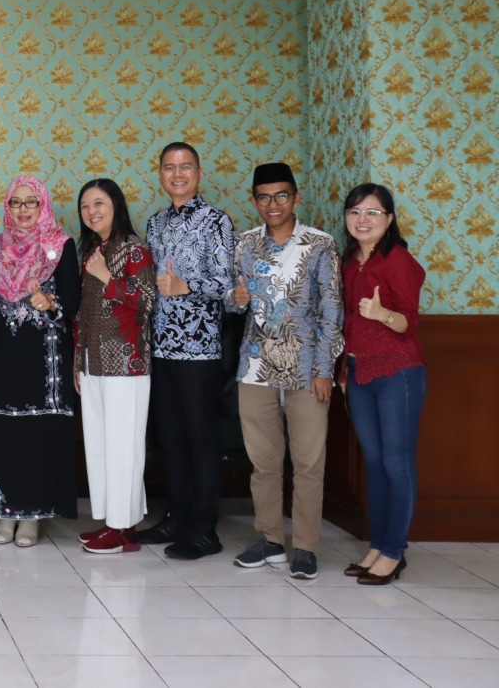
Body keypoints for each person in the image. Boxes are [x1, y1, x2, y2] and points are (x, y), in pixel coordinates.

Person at [225, 164, 343, 580]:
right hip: (255, 366)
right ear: (254, 200)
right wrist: (236, 299)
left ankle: (306, 547)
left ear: (295, 197)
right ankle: (270, 540)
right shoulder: (244, 243)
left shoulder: (320, 244)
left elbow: (332, 311)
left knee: (309, 462)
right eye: (264, 197)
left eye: (281, 196)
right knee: (263, 462)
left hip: (307, 368)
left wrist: (325, 369)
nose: (272, 204)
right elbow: (232, 301)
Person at [136, 142, 234, 560]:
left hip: (200, 349)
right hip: (160, 347)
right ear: (160, 174)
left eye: (185, 167)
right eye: (169, 167)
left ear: (199, 172)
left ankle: (204, 528)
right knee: (170, 437)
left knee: (200, 438)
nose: (177, 174)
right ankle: (176, 517)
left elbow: (228, 287)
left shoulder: (217, 221)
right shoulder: (155, 223)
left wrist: (186, 286)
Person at [0, 175, 80, 547]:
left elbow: (73, 299)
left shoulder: (60, 246)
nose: (23, 210)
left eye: (31, 202)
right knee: (3, 432)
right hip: (3, 355)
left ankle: (32, 516)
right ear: (7, 206)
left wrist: (50, 302)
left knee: (37, 433)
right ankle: (4, 514)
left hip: (45, 358)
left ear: (43, 205)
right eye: (15, 202)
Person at [339, 183, 426, 586]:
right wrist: (344, 372)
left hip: (398, 374)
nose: (362, 219)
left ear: (389, 219)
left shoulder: (398, 261)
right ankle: (377, 546)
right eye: (355, 211)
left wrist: (381, 314)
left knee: (396, 463)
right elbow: (348, 324)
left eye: (372, 212)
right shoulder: (349, 261)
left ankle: (394, 551)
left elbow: (409, 322)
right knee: (374, 464)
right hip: (359, 374)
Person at [73, 179, 157, 555]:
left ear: (116, 205)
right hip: (93, 362)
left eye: (99, 203)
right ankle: (113, 522)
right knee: (101, 447)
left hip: (126, 363)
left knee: (124, 448)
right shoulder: (93, 250)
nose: (92, 211)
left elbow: (147, 301)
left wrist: (106, 277)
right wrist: (78, 361)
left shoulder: (134, 248)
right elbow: (82, 313)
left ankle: (123, 530)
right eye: (85, 206)